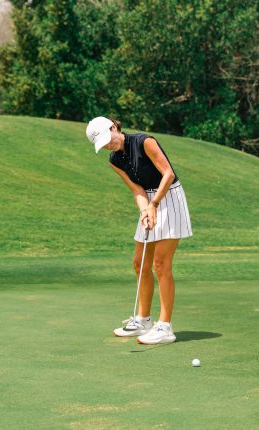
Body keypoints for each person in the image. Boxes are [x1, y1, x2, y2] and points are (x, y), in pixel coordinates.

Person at [86, 116, 192, 345]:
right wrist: (145, 210)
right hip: (149, 201)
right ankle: (143, 320)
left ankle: (165, 327)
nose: (108, 145)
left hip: (170, 197)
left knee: (161, 263)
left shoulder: (145, 142)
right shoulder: (114, 160)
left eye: (108, 138)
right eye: (103, 144)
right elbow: (137, 189)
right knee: (139, 262)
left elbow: (168, 173)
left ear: (114, 128)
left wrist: (154, 206)